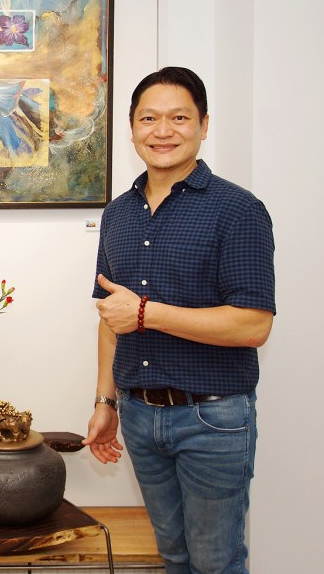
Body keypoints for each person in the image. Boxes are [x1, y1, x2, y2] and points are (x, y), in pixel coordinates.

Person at [83, 66, 276, 574]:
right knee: (172, 556)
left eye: (179, 118)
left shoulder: (238, 210)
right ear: (131, 129)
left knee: (216, 562)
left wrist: (146, 313)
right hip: (139, 416)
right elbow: (111, 316)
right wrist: (105, 402)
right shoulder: (117, 214)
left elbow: (253, 325)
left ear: (204, 125)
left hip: (213, 419)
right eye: (148, 118)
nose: (162, 131)